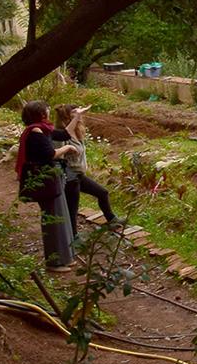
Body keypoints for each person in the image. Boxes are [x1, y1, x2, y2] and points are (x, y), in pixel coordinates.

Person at [15, 100, 73, 269]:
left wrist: (77, 117)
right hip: (44, 180)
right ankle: (54, 262)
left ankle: (64, 257)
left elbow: (64, 135)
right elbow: (50, 154)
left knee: (59, 217)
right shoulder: (36, 131)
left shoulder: (42, 129)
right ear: (41, 114)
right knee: (53, 220)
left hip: (49, 179)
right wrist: (67, 149)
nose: (49, 112)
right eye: (47, 110)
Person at [53, 104, 121, 232]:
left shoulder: (76, 132)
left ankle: (111, 219)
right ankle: (74, 238)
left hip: (79, 175)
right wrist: (67, 150)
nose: (80, 115)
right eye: (75, 113)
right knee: (72, 208)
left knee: (102, 192)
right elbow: (56, 154)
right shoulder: (60, 134)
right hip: (69, 176)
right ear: (68, 116)